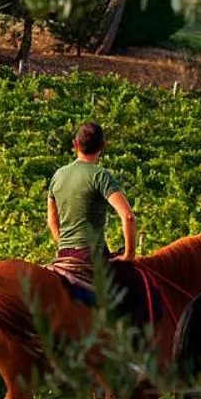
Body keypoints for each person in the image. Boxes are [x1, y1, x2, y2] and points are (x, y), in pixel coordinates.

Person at [47, 121, 138, 287]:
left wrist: (63, 243)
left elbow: (52, 220)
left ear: (75, 144)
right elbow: (128, 217)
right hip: (92, 255)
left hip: (63, 256)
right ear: (103, 146)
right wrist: (129, 255)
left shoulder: (58, 175)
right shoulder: (100, 176)